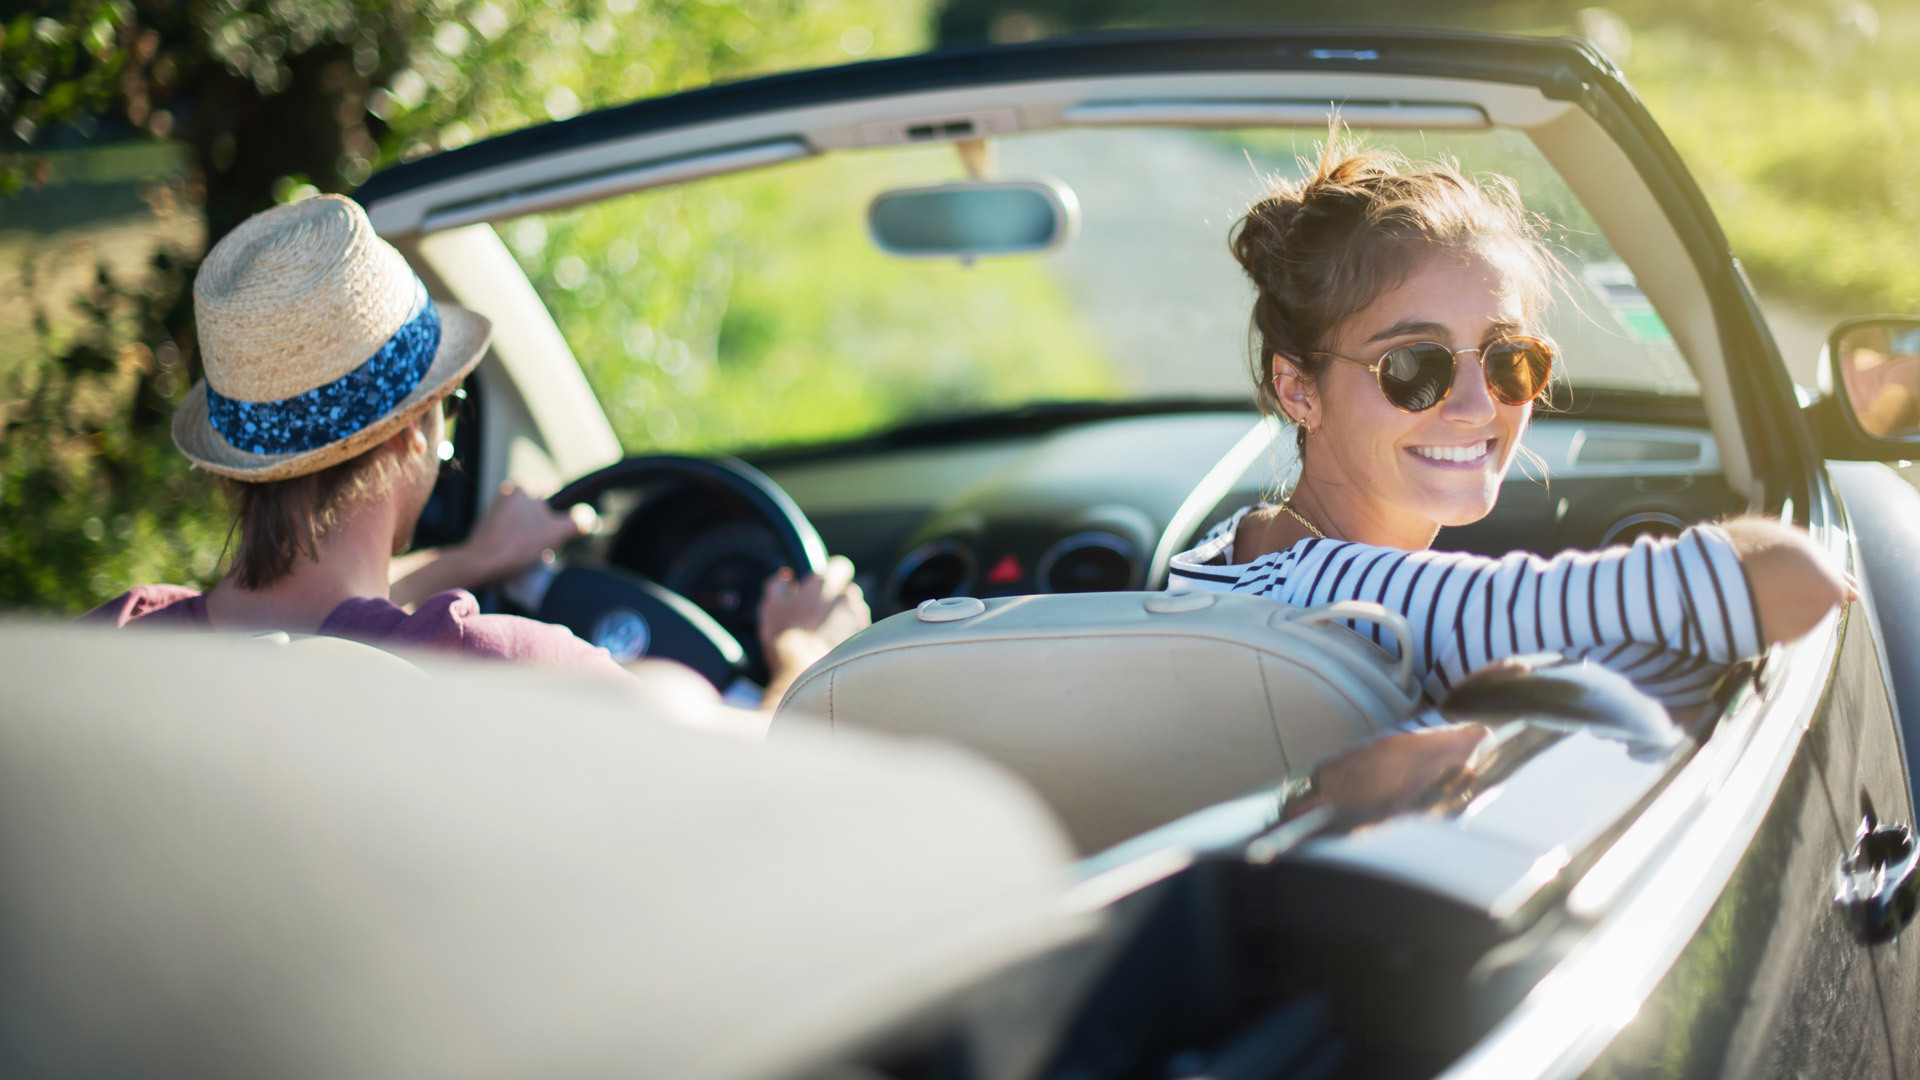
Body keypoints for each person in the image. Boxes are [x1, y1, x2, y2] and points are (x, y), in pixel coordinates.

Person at [86, 194, 867, 715]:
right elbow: (765, 773)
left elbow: (300, 609)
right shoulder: (503, 674)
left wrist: (473, 556)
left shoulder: (108, 654)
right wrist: (807, 654)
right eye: (447, 411)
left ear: (237, 461)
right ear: (410, 433)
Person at [1169, 142, 1854, 711]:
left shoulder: (1229, 551)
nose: (1475, 404)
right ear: (1298, 390)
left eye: (1510, 359)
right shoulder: (1388, 607)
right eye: (1413, 366)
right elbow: (1794, 579)